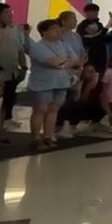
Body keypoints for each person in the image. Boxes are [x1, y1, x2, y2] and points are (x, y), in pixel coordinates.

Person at [28, 18, 75, 148]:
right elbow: (52, 62)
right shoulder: (38, 47)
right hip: (42, 83)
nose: (58, 31)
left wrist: (63, 62)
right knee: (40, 110)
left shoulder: (64, 44)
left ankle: (48, 135)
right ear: (44, 32)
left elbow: (75, 60)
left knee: (54, 110)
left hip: (61, 82)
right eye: (53, 28)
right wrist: (64, 61)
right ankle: (35, 138)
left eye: (58, 28)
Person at [0, 2, 28, 132]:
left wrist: (24, 67)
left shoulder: (15, 29)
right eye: (6, 12)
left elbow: (20, 50)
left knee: (7, 102)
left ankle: (1, 130)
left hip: (12, 72)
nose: (11, 15)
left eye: (11, 12)